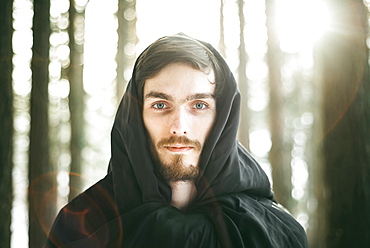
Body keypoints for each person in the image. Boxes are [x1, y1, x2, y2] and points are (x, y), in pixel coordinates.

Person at [46, 34, 308, 247]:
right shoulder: (83, 224)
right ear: (135, 117)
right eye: (160, 104)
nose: (179, 127)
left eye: (199, 105)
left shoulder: (274, 232)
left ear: (222, 117)